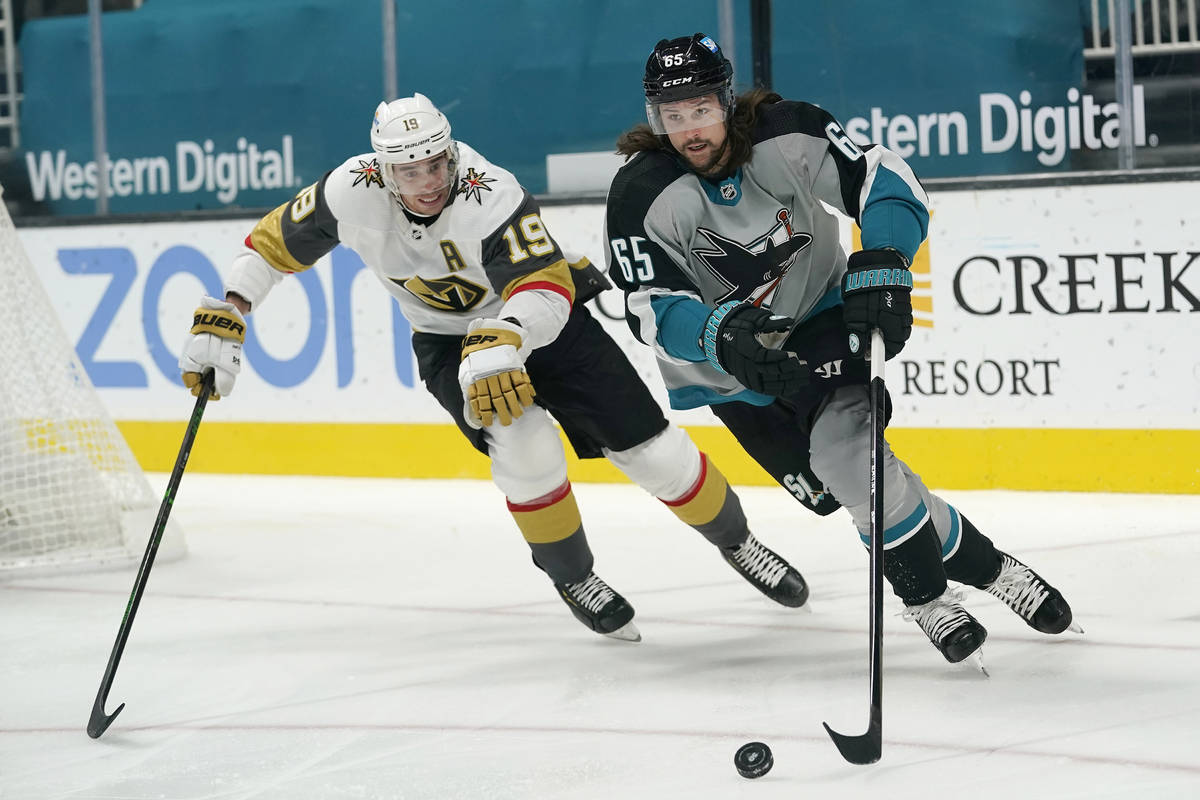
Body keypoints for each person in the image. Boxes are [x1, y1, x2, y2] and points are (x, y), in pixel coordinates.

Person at [178, 92, 822, 643]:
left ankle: (737, 540)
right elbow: (268, 246)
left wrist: (504, 337)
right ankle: (573, 575)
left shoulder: (491, 191)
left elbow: (544, 285)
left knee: (652, 452)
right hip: (447, 343)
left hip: (541, 325)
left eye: (436, 162)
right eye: (410, 171)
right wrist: (230, 309)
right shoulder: (348, 191)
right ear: (382, 171)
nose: (429, 180)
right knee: (525, 445)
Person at [604, 33, 1080, 664]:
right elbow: (649, 307)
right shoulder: (640, 192)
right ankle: (992, 569)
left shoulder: (788, 131)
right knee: (850, 488)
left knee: (849, 460)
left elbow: (886, 177)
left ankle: (929, 602)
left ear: (726, 101)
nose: (689, 129)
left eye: (701, 110)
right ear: (654, 118)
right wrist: (716, 333)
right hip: (730, 371)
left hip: (820, 317)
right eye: (672, 115)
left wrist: (883, 257)